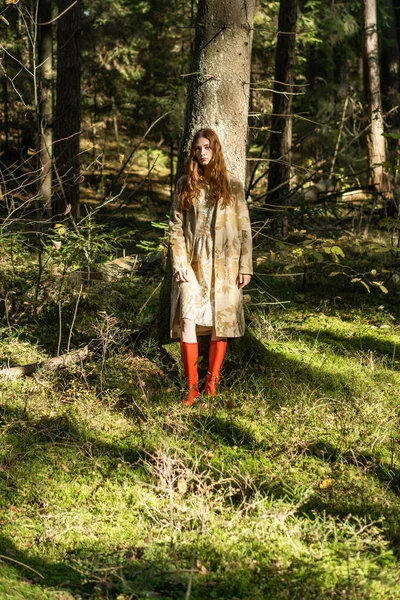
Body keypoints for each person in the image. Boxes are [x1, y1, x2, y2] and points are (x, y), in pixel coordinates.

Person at [169, 128, 253, 406]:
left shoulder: (233, 185)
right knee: (187, 319)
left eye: (207, 147)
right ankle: (191, 387)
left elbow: (244, 229)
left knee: (221, 321)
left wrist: (246, 266)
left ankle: (211, 385)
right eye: (198, 148)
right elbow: (176, 227)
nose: (202, 153)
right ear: (193, 152)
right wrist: (179, 262)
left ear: (215, 150)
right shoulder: (185, 184)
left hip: (226, 263)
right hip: (193, 262)